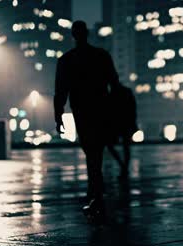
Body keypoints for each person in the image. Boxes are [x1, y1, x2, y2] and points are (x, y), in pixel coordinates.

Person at [54, 20, 120, 220]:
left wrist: (58, 117)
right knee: (96, 154)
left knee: (90, 153)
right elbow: (114, 84)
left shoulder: (66, 60)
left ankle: (96, 196)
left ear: (73, 35)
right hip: (101, 110)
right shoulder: (101, 56)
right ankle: (96, 195)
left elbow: (60, 92)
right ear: (88, 33)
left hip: (82, 112)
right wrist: (114, 111)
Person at [107, 83, 138, 177]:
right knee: (126, 147)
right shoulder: (126, 92)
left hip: (117, 124)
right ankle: (124, 167)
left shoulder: (111, 94)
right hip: (126, 123)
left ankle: (123, 167)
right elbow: (133, 108)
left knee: (111, 146)